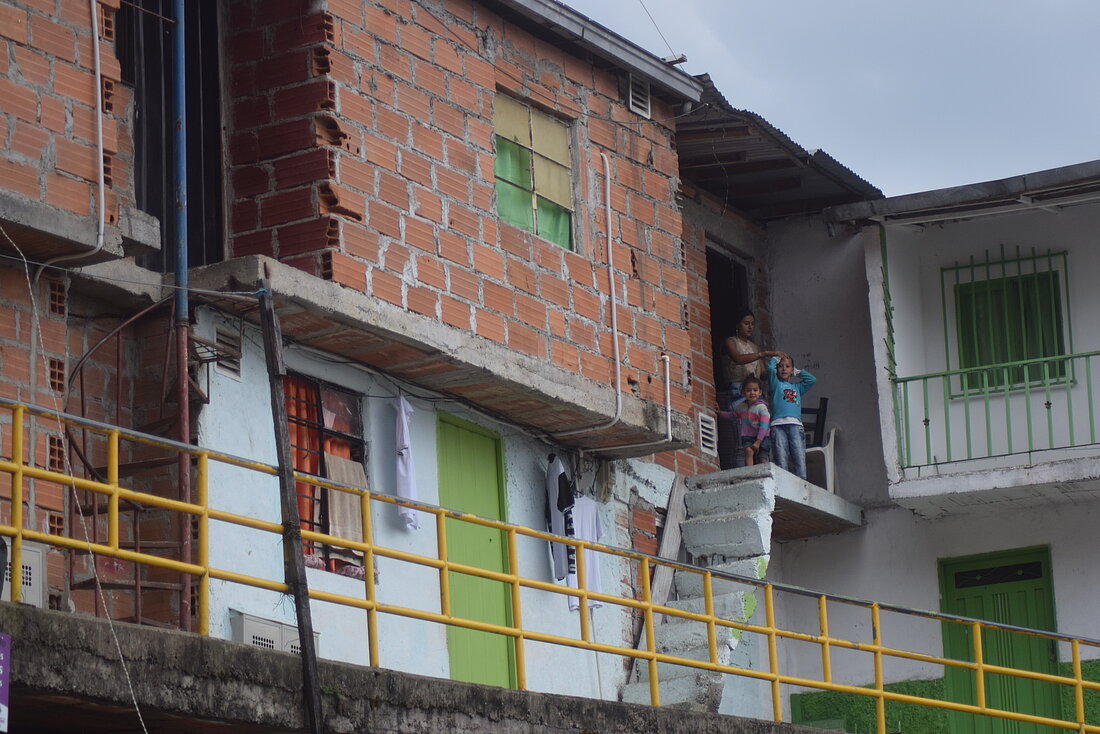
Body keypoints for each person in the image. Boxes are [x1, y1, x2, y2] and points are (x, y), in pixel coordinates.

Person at [765, 355, 816, 479]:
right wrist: (775, 359)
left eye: (787, 367)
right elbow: (770, 369)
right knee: (781, 458)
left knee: (798, 457)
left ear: (792, 370)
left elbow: (811, 380)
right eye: (781, 366)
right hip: (778, 426)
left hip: (795, 425)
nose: (783, 369)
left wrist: (797, 372)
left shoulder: (797, 388)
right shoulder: (775, 385)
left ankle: (801, 485)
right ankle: (784, 485)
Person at [723, 310, 784, 410]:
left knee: (759, 419)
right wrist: (764, 354)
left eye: (752, 324)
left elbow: (763, 375)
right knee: (741, 419)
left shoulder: (754, 347)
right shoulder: (730, 341)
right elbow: (738, 359)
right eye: (746, 323)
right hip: (738, 388)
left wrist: (778, 367)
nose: (750, 327)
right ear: (737, 325)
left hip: (754, 390)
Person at [733, 376, 770, 467]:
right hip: (748, 436)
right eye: (748, 390)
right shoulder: (741, 407)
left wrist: (758, 441)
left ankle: (764, 475)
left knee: (762, 458)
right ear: (743, 393)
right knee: (748, 451)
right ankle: (749, 472)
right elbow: (732, 415)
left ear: (760, 392)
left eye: (755, 390)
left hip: (763, 437)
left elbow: (764, 426)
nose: (752, 393)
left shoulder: (762, 407)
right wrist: (720, 413)